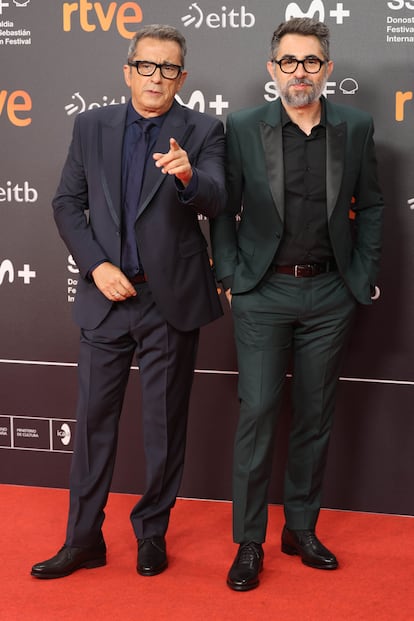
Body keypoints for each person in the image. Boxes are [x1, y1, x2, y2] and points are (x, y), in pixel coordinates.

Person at [31, 24, 225, 580]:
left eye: (168, 69)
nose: (156, 77)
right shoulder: (90, 126)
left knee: (165, 423)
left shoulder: (204, 129)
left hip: (171, 301)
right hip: (106, 298)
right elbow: (67, 203)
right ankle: (83, 538)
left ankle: (151, 534)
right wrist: (98, 265)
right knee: (93, 421)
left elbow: (217, 198)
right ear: (128, 70)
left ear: (181, 77)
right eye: (146, 65)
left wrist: (189, 175)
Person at [211, 17, 384, 591]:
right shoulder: (241, 127)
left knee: (315, 414)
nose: (300, 72)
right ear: (272, 69)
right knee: (258, 414)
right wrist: (232, 276)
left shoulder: (355, 127)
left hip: (331, 293)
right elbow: (222, 209)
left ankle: (301, 528)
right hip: (263, 292)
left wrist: (360, 275)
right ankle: (250, 541)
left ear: (327, 69)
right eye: (289, 61)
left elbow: (375, 205)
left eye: (311, 61)